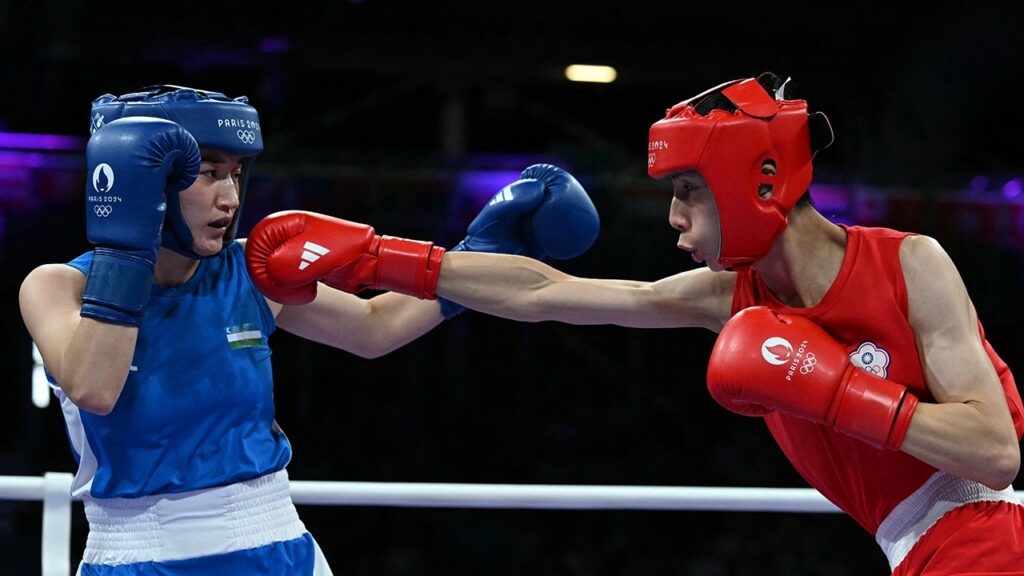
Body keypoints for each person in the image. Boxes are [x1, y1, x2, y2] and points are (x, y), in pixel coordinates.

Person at [272, 73, 1024, 575]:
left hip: (986, 536)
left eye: (688, 193)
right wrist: (379, 258)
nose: (672, 220)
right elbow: (546, 293)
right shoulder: (726, 295)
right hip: (921, 551)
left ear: (756, 183)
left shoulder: (911, 263)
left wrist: (837, 389)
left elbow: (994, 452)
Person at [18, 85, 599, 575]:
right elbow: (95, 388)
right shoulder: (56, 286)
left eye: (237, 173)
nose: (229, 197)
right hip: (137, 551)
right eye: (207, 174)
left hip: (276, 540)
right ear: (143, 179)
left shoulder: (249, 270)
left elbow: (376, 326)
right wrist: (127, 248)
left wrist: (479, 256)